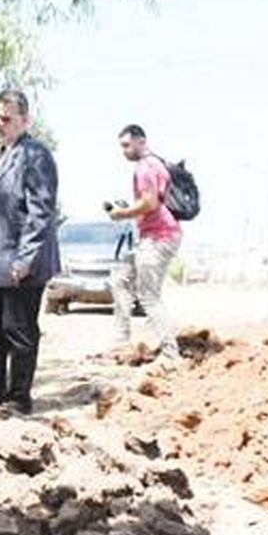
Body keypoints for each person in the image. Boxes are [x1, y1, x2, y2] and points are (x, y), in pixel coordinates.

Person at [0, 89, 60, 414]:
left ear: (24, 120)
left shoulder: (36, 154)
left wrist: (25, 258)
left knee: (18, 332)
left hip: (20, 264)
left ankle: (18, 399)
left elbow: (40, 211)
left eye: (6, 118)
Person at [107, 123, 183, 362]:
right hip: (151, 236)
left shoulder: (146, 167)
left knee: (149, 295)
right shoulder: (153, 164)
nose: (125, 151)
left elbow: (149, 203)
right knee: (118, 279)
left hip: (159, 237)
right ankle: (121, 341)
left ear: (141, 141)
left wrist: (122, 213)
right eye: (122, 146)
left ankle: (171, 354)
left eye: (127, 145)